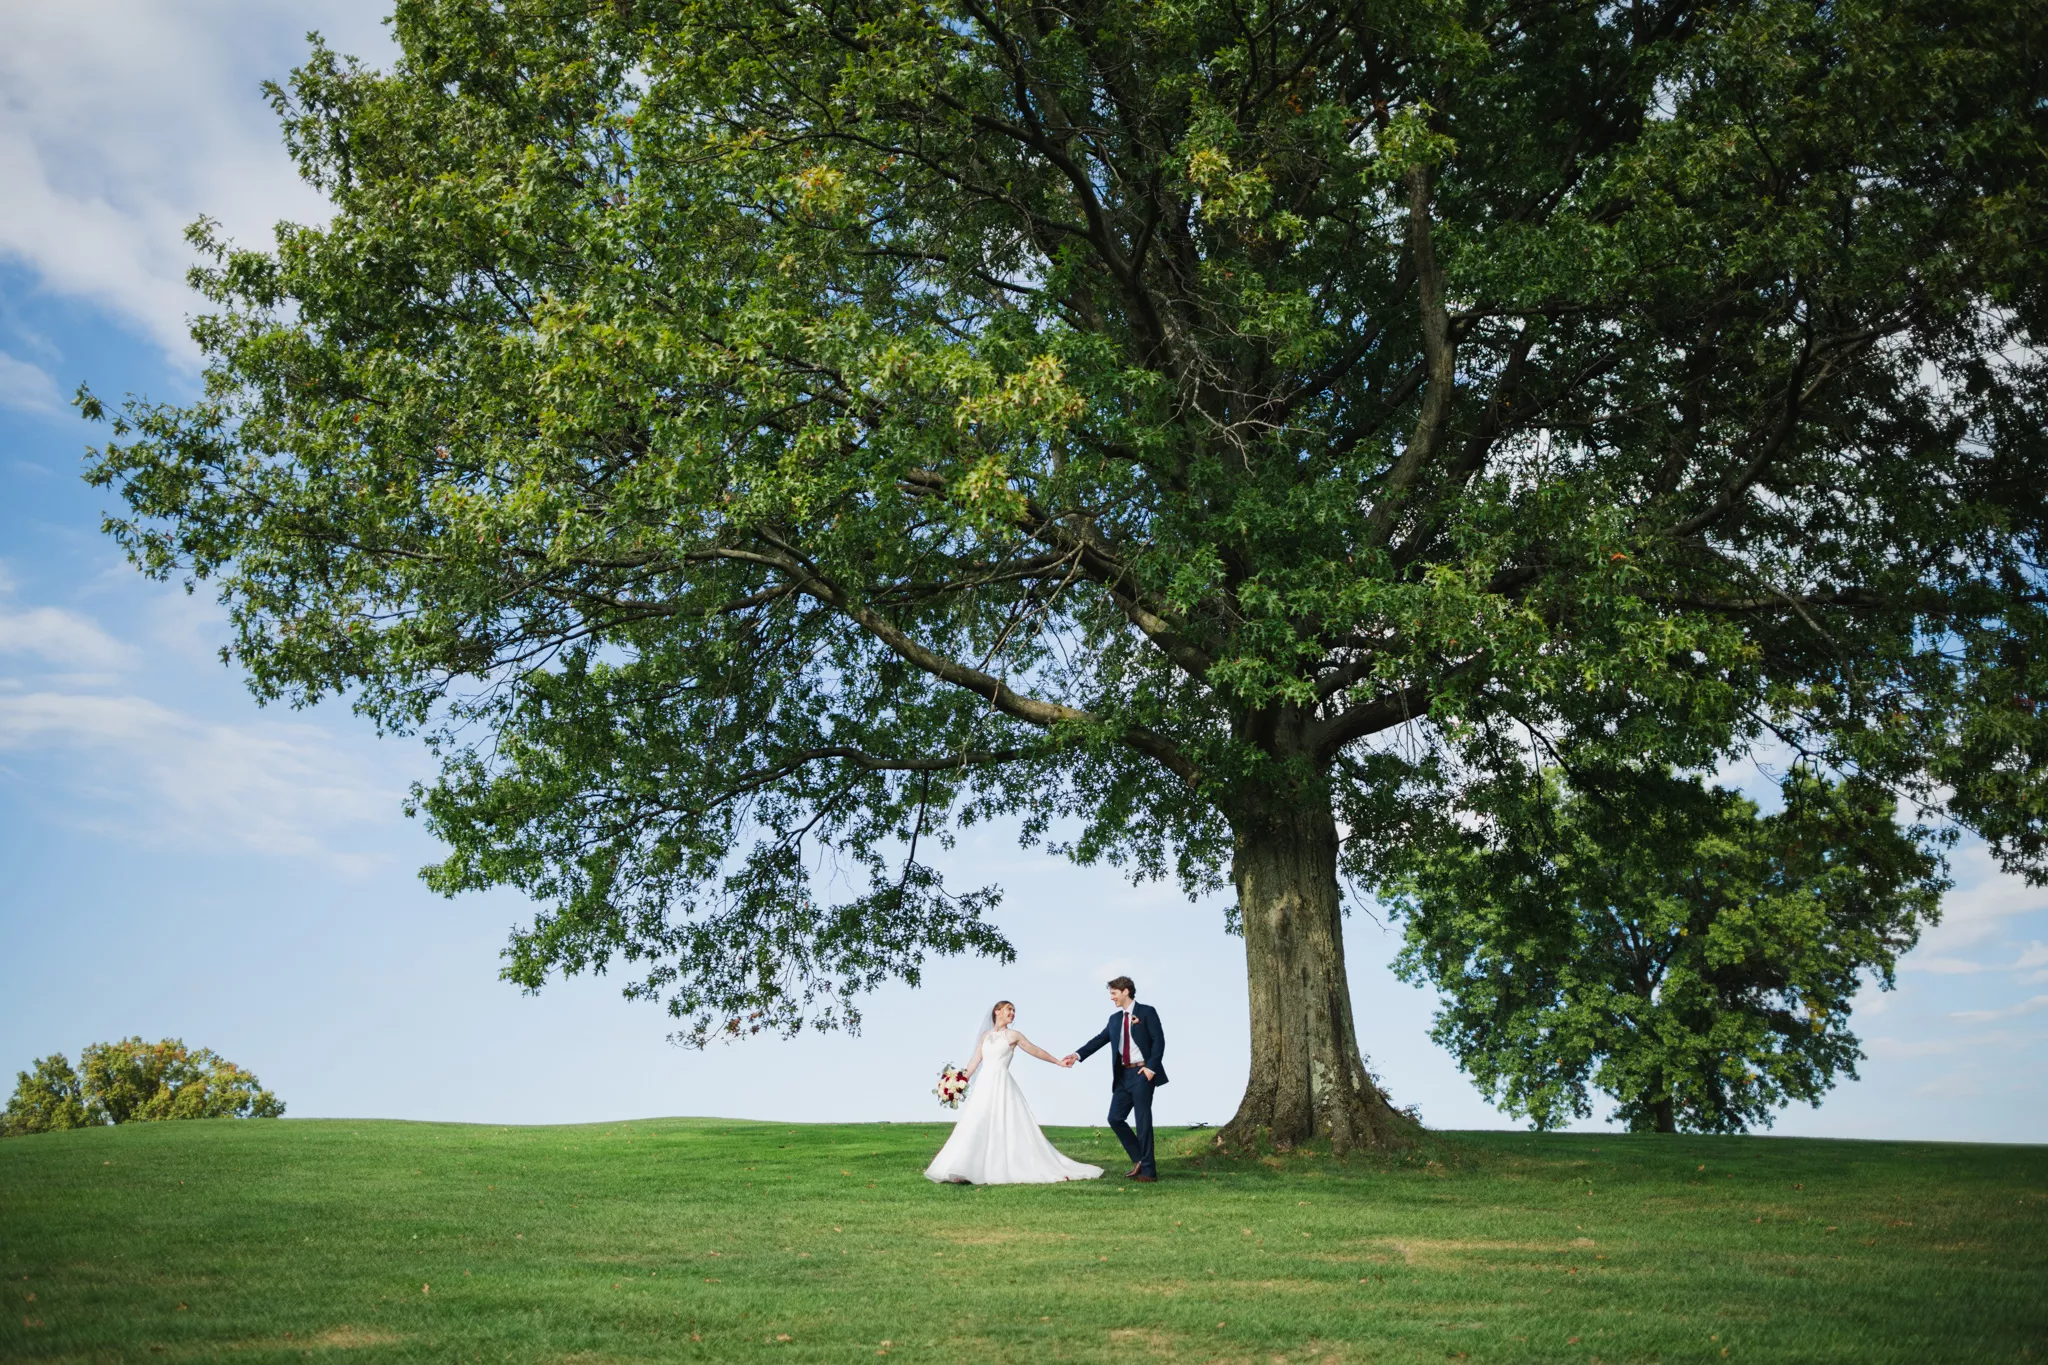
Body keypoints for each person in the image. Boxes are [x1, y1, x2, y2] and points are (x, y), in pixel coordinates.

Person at [923, 1000, 1103, 1185]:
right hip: (984, 1084)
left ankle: (998, 1166)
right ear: (997, 1011)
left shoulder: (1013, 1035)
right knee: (975, 1121)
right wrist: (958, 1083)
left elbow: (1034, 1050)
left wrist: (1057, 1061)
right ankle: (963, 1168)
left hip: (1001, 1083)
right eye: (1009, 1009)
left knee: (1004, 1123)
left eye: (1014, 1011)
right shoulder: (985, 1036)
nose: (1012, 1013)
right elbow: (974, 1062)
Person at [1063, 976, 1167, 1182]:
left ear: (1126, 991)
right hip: (1122, 1075)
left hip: (1142, 1072)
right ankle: (1139, 1159)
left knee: (1142, 1121)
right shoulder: (1114, 1019)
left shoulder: (1147, 1012)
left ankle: (1149, 1172)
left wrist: (1150, 1068)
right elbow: (1099, 1040)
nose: (1112, 998)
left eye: (1114, 993)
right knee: (1115, 1118)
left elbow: (1159, 1041)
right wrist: (1076, 1055)